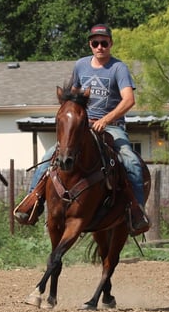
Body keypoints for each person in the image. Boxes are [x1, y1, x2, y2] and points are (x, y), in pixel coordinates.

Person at [14, 23, 150, 235]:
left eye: (104, 43)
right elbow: (74, 96)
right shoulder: (81, 66)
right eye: (95, 43)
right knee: (50, 155)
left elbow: (129, 100)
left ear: (110, 44)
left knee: (131, 159)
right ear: (90, 44)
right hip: (83, 126)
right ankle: (32, 201)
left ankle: (137, 211)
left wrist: (106, 120)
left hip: (111, 127)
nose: (100, 47)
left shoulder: (118, 68)